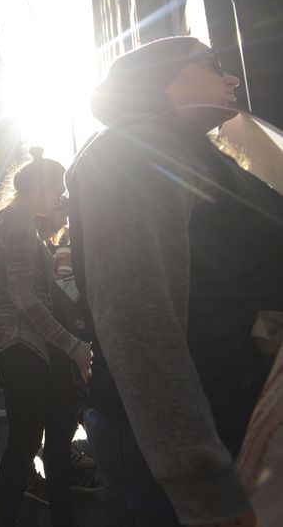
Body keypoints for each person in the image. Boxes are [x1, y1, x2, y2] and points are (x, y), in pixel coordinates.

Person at [68, 36, 283, 527]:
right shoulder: (133, 149)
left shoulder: (199, 152)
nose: (231, 79)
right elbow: (138, 316)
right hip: (188, 441)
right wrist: (202, 485)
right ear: (159, 82)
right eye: (213, 65)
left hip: (231, 414)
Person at [0, 147, 91, 527]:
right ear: (40, 187)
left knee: (30, 441)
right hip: (18, 340)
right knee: (25, 442)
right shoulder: (17, 221)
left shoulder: (20, 221)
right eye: (57, 189)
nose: (60, 197)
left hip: (23, 343)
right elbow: (24, 298)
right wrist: (73, 345)